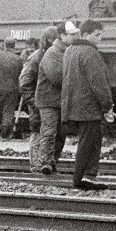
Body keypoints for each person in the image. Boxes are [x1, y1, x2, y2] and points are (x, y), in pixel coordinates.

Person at [62, 19, 114, 190]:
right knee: (90, 142)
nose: (99, 39)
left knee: (86, 141)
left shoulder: (70, 50)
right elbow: (98, 82)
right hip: (89, 107)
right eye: (97, 35)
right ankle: (85, 177)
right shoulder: (90, 53)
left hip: (74, 104)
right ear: (85, 35)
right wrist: (107, 105)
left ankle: (84, 177)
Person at [35, 21, 79, 175]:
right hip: (49, 100)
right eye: (72, 34)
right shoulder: (53, 53)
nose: (75, 37)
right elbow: (57, 77)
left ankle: (53, 161)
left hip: (60, 100)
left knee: (61, 133)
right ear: (62, 36)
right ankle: (45, 162)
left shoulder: (68, 52)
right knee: (50, 132)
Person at [20, 27, 59, 173]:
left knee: (48, 135)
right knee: (37, 134)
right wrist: (34, 103)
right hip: (39, 104)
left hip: (46, 103)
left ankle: (45, 165)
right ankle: (36, 167)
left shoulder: (50, 56)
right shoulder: (36, 58)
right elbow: (24, 83)